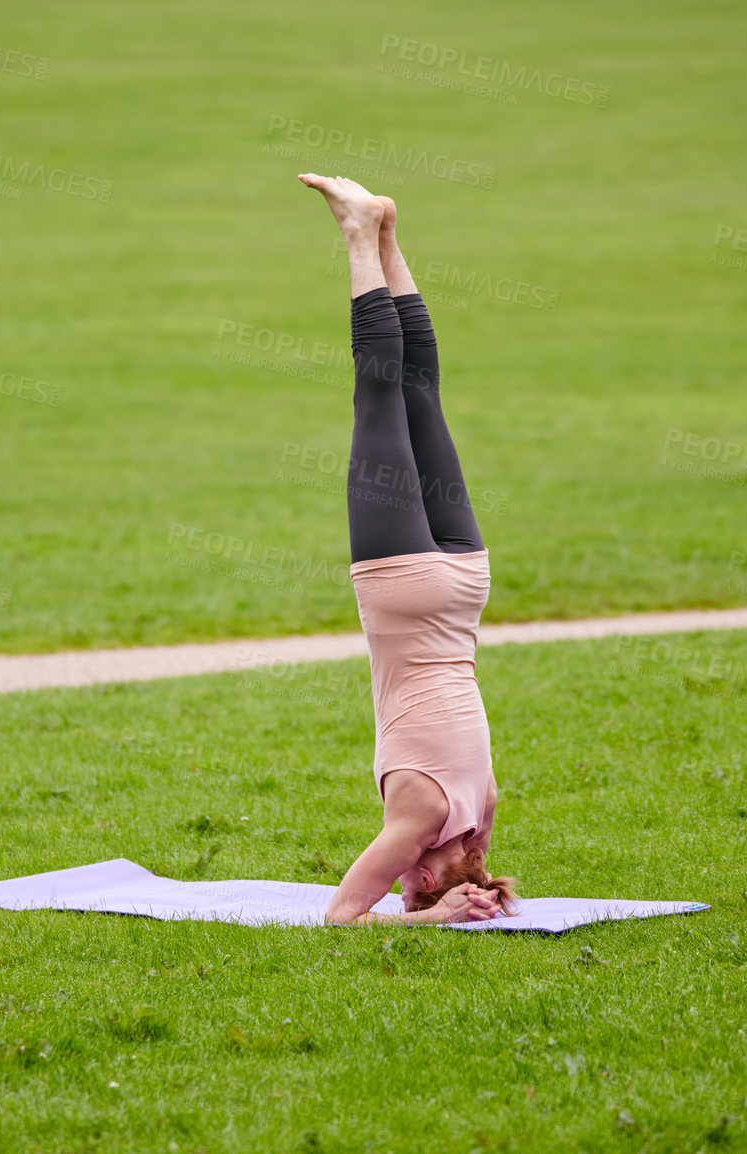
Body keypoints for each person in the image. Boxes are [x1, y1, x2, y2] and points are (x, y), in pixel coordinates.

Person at [296, 173, 519, 927]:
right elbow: (342, 919)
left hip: (464, 583)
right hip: (405, 588)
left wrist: (473, 883)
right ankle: (360, 234)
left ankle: (388, 234)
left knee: (421, 390)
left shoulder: (481, 802)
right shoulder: (421, 821)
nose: (402, 882)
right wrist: (432, 917)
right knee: (380, 391)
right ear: (428, 874)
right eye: (411, 884)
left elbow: (470, 846)